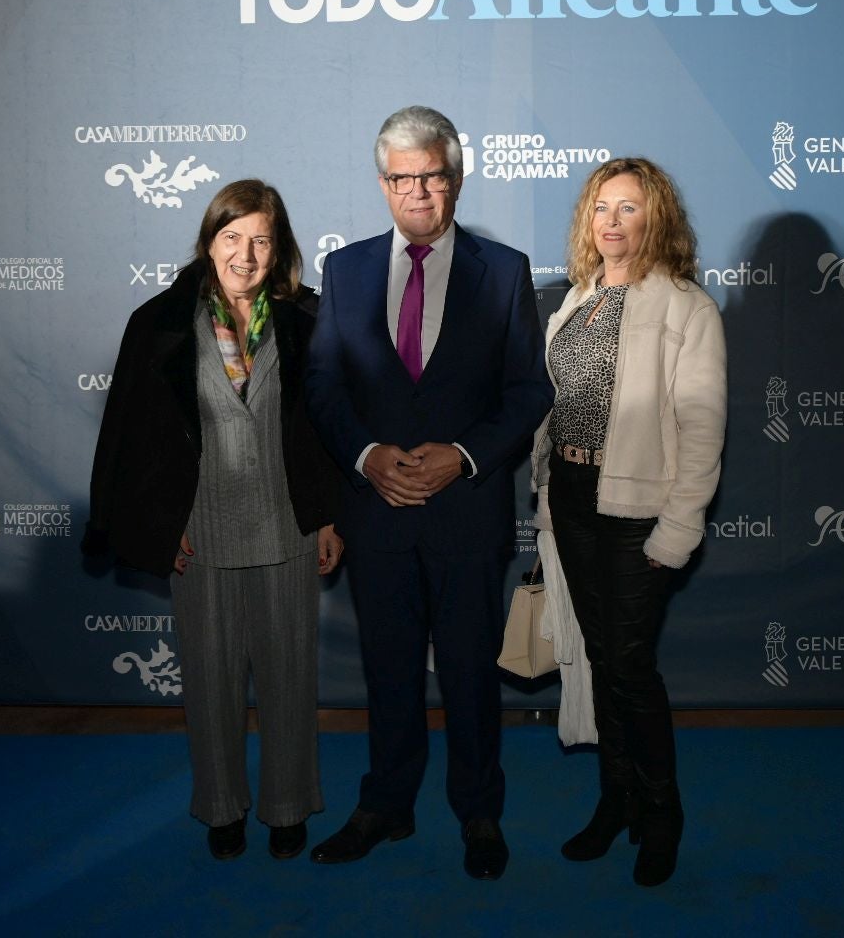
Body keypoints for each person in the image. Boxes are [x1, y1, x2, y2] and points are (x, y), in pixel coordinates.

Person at [304, 105, 553, 880]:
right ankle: (387, 805)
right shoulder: (342, 271)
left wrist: (467, 456)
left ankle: (480, 812)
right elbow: (322, 383)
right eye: (401, 178)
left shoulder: (504, 270)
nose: (418, 192)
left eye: (432, 175)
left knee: (474, 672)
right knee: (388, 668)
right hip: (377, 511)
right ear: (382, 185)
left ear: (457, 178)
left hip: (467, 511)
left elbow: (527, 390)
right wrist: (368, 454)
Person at [82, 178, 344, 863]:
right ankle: (222, 807)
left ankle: (289, 807)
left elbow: (326, 433)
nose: (247, 254)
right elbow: (132, 438)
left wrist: (328, 518)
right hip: (200, 529)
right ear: (209, 241)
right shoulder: (160, 324)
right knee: (209, 680)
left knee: (291, 678)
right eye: (234, 238)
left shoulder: (307, 320)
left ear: (279, 248)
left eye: (262, 240)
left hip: (287, 526)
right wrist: (156, 522)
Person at [530, 157, 726, 887]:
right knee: (604, 664)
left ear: (657, 219)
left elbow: (702, 428)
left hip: (639, 513)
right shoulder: (575, 300)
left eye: (629, 209)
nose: (612, 222)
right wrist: (547, 492)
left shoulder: (685, 307)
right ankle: (616, 801)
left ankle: (663, 813)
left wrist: (678, 529)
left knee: (633, 668)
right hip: (574, 500)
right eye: (601, 208)